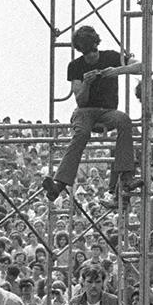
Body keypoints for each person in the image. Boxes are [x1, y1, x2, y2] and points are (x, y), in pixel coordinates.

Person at [41, 26, 142, 207]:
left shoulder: (111, 56)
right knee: (81, 133)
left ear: (97, 44)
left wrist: (117, 70)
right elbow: (80, 100)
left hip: (108, 111)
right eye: (87, 53)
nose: (92, 56)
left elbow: (141, 66)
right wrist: (86, 84)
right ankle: (59, 184)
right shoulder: (75, 66)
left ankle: (126, 178)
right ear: (81, 52)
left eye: (94, 50)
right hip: (85, 111)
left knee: (124, 121)